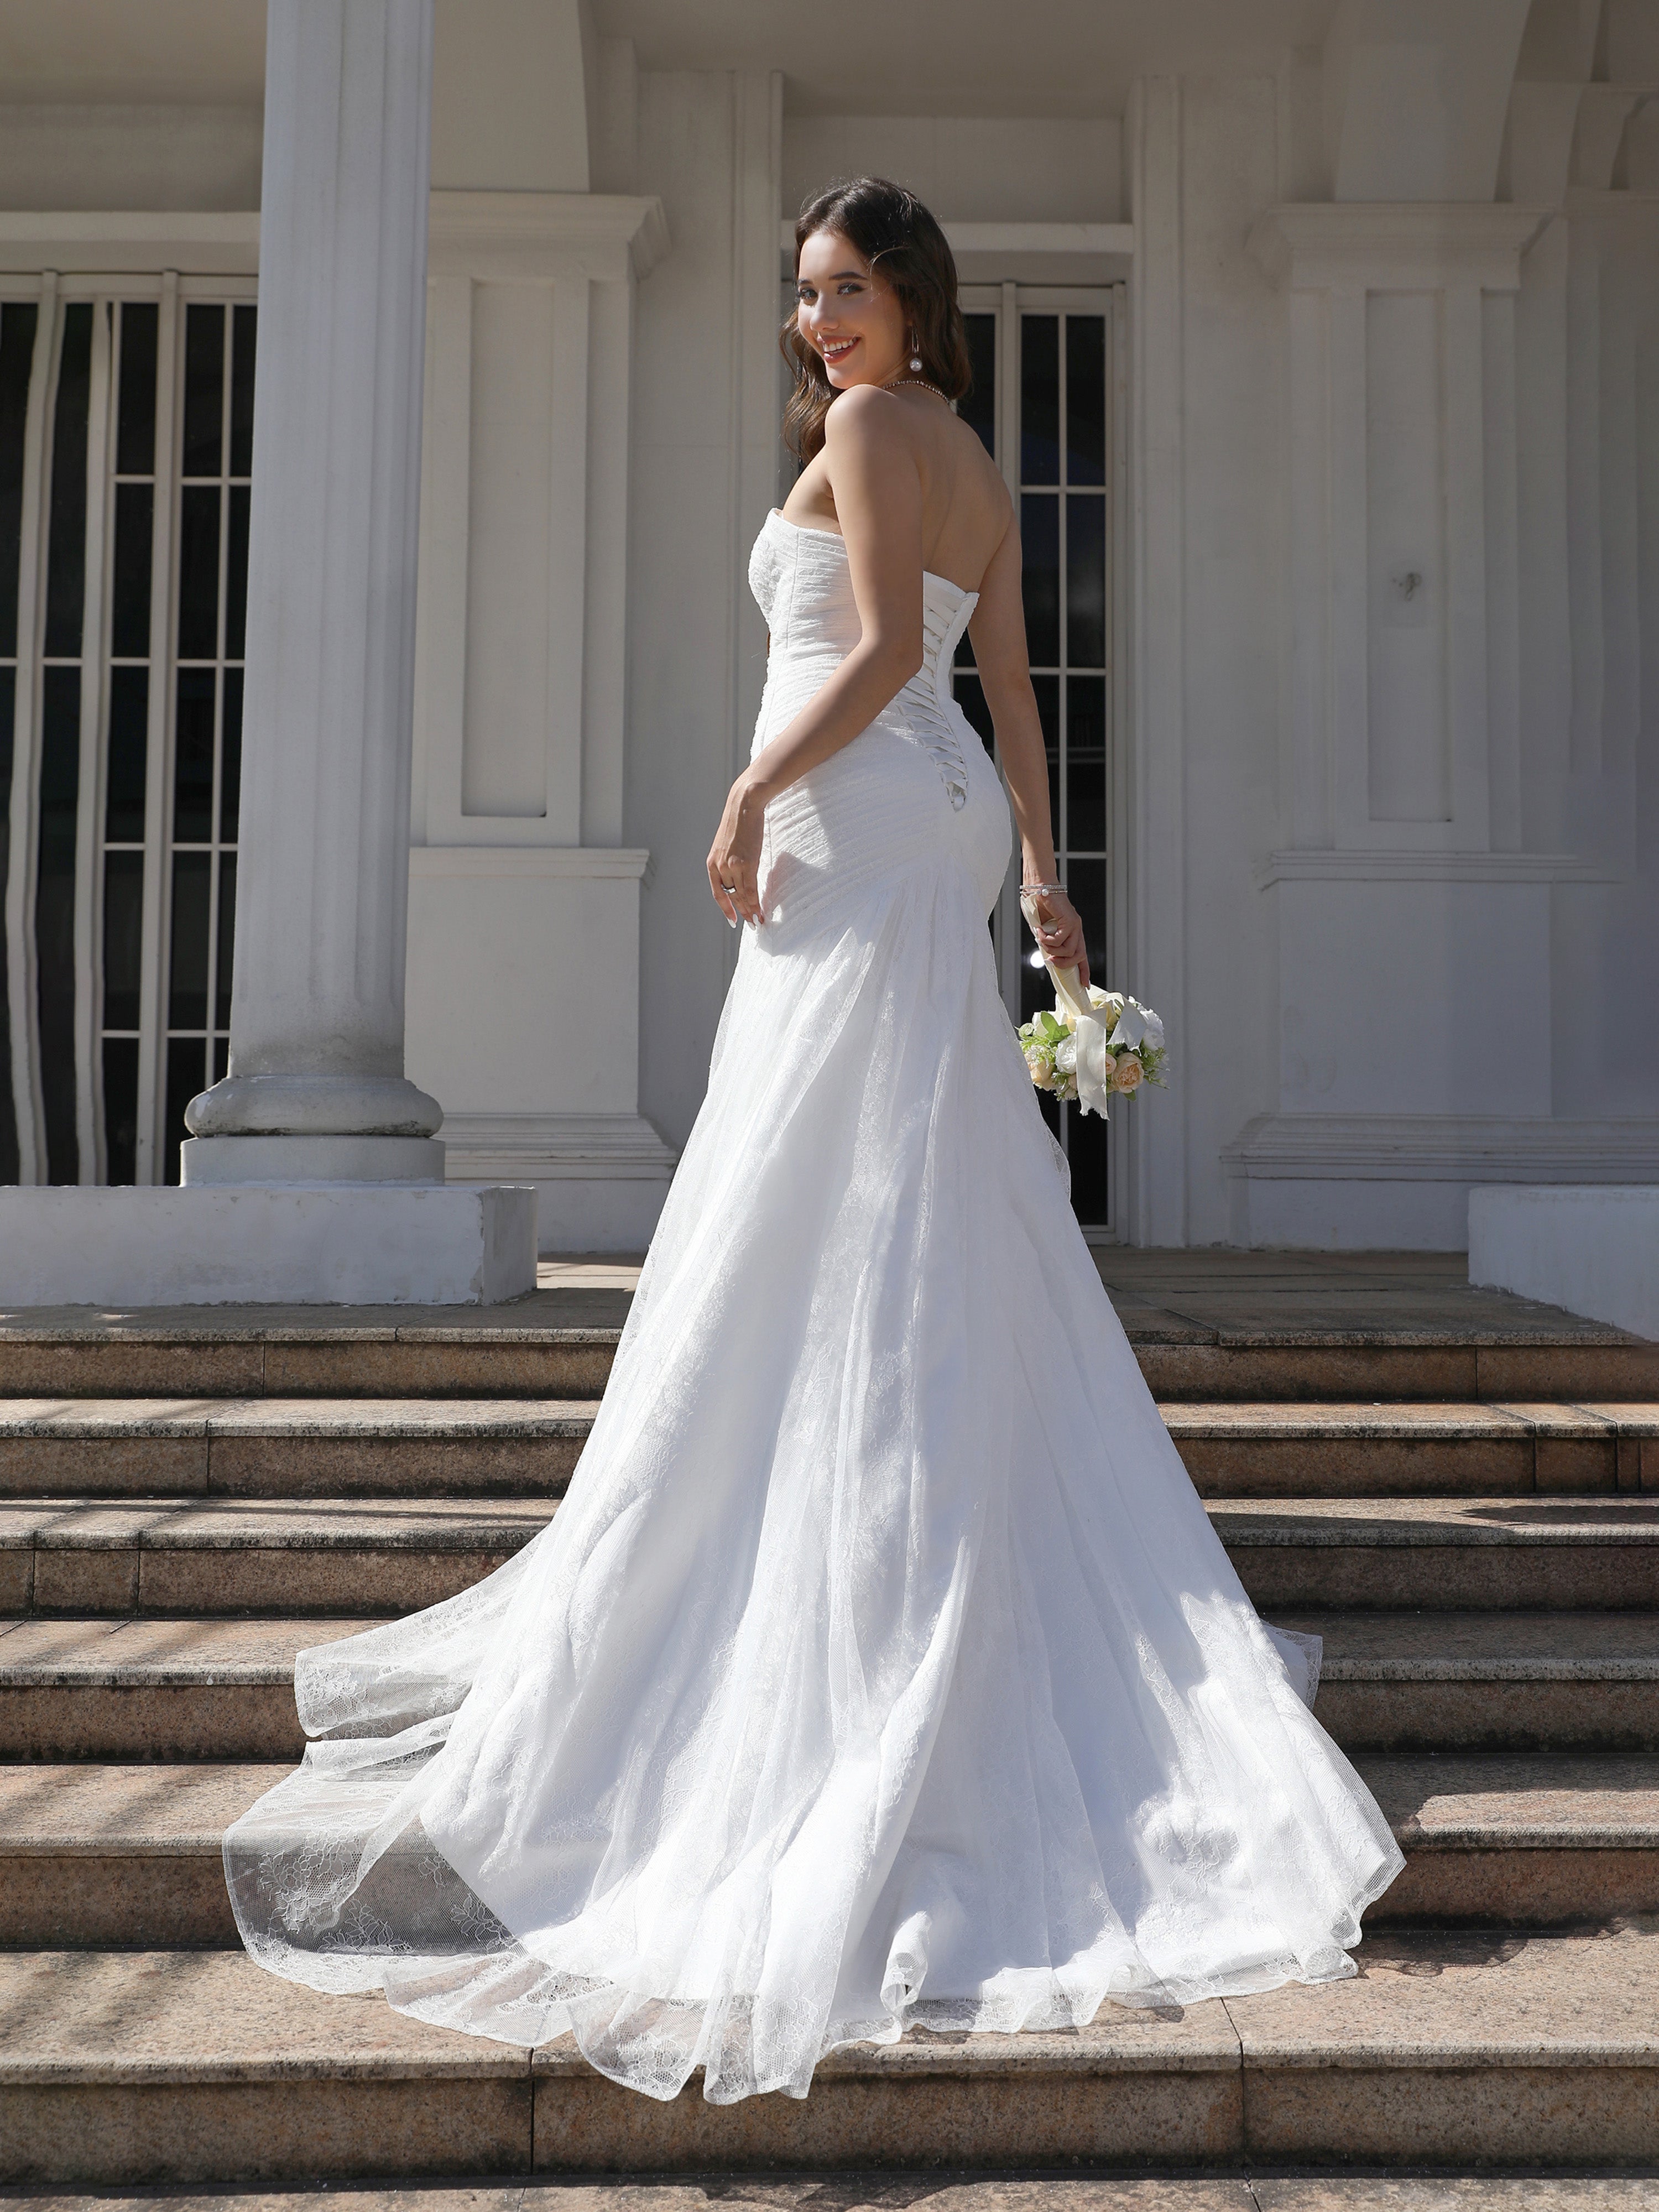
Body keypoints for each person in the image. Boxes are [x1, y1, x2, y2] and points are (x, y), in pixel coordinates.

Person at [225, 176, 1402, 2106]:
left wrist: (747, 787)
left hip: (854, 806)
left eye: (843, 291)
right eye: (803, 297)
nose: (815, 326)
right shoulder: (981, 463)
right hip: (929, 825)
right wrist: (1045, 878)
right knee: (910, 1192)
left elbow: (868, 660)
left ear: (911, 298)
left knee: (813, 1196)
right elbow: (1010, 694)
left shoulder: (871, 431)